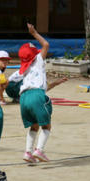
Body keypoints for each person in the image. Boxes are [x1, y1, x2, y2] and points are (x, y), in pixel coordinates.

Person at [19, 23, 54, 163]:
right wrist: (34, 33)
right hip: (36, 95)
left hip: (23, 98)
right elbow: (46, 44)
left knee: (34, 125)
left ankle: (28, 152)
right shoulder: (38, 60)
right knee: (46, 125)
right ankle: (39, 150)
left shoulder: (24, 68)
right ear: (35, 55)